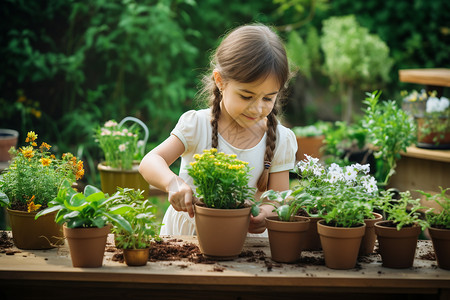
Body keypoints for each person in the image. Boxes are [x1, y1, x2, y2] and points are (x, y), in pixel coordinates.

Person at [139, 24, 297, 236]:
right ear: (221, 81)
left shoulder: (280, 138)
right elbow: (150, 161)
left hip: (244, 245)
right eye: (246, 96)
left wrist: (266, 214)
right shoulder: (197, 125)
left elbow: (277, 199)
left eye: (268, 98)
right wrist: (172, 183)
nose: (258, 108)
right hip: (187, 237)